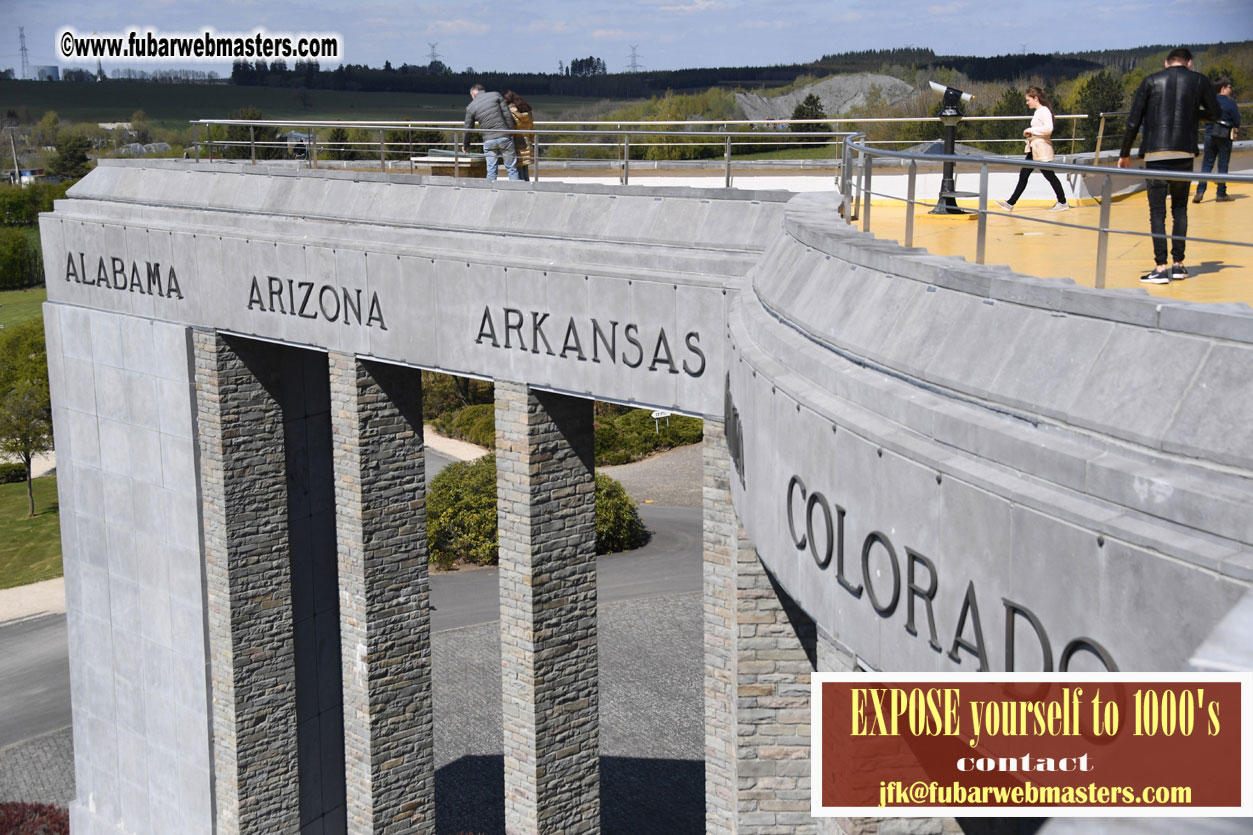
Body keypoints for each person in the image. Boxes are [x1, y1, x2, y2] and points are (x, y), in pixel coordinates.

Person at [1118, 48, 1220, 284]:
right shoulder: (1199, 80)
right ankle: (1178, 265)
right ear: (1189, 63)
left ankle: (1160, 267)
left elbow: (1133, 120)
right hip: (1184, 152)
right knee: (1180, 210)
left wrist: (1125, 152)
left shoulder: (1151, 81)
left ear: (1166, 63)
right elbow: (1215, 113)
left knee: (1157, 212)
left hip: (1155, 154)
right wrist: (1193, 114)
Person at [995, 87, 1069, 212]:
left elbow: (1049, 128)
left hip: (1040, 148)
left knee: (1048, 175)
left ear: (1036, 98)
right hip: (1034, 148)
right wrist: (1031, 133)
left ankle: (1062, 202)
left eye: (1028, 99)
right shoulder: (1039, 111)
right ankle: (1010, 203)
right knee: (1025, 174)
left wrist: (1031, 130)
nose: (1027, 102)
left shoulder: (1043, 111)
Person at [1193, 77, 1240, 204]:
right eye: (1229, 87)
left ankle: (1200, 192)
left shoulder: (1209, 102)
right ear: (1223, 88)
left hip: (1209, 135)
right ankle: (1221, 193)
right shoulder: (1230, 103)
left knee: (1207, 164)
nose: (1230, 90)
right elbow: (1237, 121)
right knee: (1222, 165)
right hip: (1224, 136)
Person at [463, 83, 519, 181]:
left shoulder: (471, 107)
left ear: (473, 94)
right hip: (504, 137)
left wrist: (466, 145)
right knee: (512, 169)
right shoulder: (496, 95)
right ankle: (517, 192)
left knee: (491, 171)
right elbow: (507, 115)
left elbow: (468, 129)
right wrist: (511, 132)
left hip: (488, 140)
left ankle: (490, 193)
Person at [503, 90, 535, 181]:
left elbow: (510, 128)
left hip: (517, 143)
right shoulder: (527, 111)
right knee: (525, 171)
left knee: (518, 171)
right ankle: (528, 191)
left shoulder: (510, 113)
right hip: (527, 142)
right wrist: (531, 142)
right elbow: (532, 129)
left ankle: (522, 192)